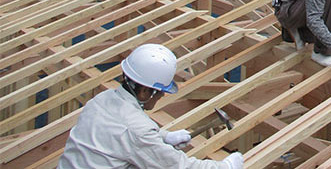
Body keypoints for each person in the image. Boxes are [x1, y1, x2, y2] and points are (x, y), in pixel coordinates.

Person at [58, 43, 244, 169]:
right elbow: (180, 166)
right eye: (160, 91)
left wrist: (163, 137)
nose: (163, 95)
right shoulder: (137, 130)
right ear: (145, 91)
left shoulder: (101, 100)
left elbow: (121, 135)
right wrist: (225, 166)